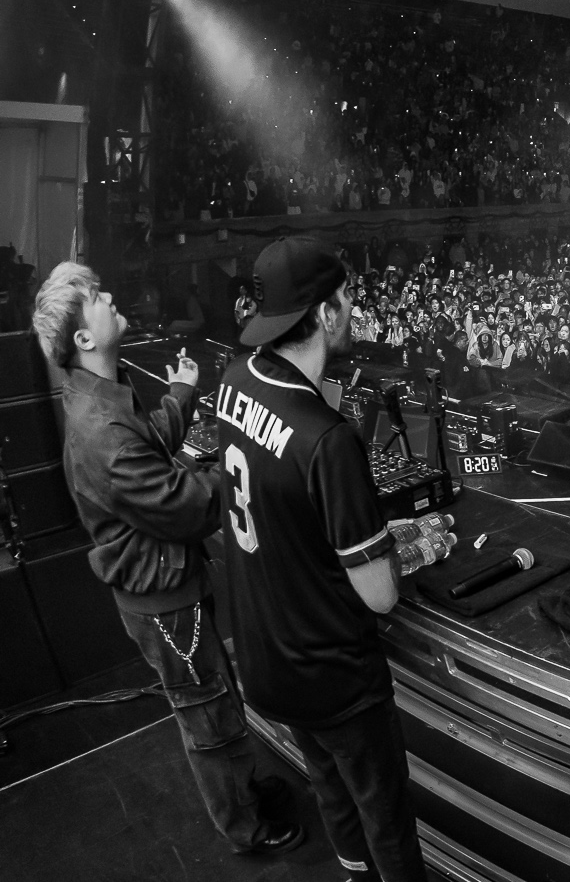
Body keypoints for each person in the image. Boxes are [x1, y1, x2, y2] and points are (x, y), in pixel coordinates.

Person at [33, 262, 302, 857]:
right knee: (206, 714)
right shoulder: (101, 430)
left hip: (168, 587)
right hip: (164, 601)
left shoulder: (100, 393)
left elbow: (148, 443)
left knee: (215, 696)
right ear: (84, 337)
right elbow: (187, 506)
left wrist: (181, 391)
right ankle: (247, 828)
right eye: (96, 297)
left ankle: (245, 790)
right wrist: (246, 463)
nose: (109, 296)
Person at [214, 236, 428, 882]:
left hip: (267, 657)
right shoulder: (328, 440)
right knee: (386, 818)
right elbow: (379, 594)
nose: (354, 307)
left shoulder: (234, 377)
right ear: (326, 311)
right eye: (347, 296)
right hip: (333, 674)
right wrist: (398, 542)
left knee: (332, 794)